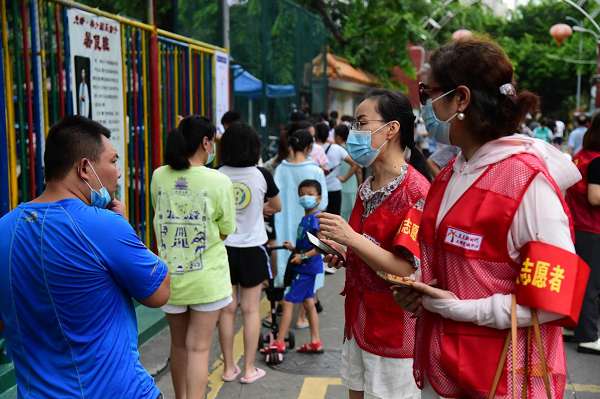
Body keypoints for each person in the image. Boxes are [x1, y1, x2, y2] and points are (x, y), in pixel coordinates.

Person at [393, 37, 584, 399]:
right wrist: (421, 289)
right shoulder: (452, 172)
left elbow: (555, 296)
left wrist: (459, 308)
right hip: (444, 364)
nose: (424, 105)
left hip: (503, 376)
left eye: (427, 92)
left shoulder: (526, 183)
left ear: (461, 98)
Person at [0, 116, 170, 397]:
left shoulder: (5, 228)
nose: (118, 173)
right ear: (84, 168)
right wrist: (126, 230)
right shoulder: (104, 226)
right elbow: (159, 293)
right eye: (113, 161)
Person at [318, 88, 432, 399]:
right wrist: (344, 251)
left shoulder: (417, 192)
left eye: (361, 123)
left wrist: (351, 239)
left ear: (392, 129)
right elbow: (366, 248)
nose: (353, 132)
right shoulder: (367, 186)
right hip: (357, 320)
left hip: (393, 328)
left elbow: (406, 268)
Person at [151, 115, 236, 399]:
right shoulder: (219, 180)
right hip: (207, 279)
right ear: (205, 142)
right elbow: (226, 230)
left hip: (170, 278)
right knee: (199, 348)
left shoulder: (159, 175)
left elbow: (159, 218)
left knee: (178, 346)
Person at [217, 123, 282, 383]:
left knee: (227, 310)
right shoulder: (261, 175)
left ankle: (228, 369)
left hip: (223, 249)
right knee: (251, 310)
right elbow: (276, 205)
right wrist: (260, 207)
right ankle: (248, 370)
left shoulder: (217, 173)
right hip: (253, 248)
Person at [270, 180, 325, 353]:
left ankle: (279, 342)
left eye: (310, 194)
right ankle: (315, 342)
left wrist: (302, 257)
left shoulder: (316, 219)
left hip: (306, 268)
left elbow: (322, 246)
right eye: (302, 194)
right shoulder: (306, 219)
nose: (305, 197)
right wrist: (293, 249)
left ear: (319, 198)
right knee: (309, 303)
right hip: (306, 266)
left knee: (287, 303)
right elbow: (309, 245)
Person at [273, 129, 328, 290]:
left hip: (284, 223)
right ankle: (305, 310)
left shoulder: (280, 169)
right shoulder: (316, 170)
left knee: (286, 259)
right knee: (309, 264)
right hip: (310, 224)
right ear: (309, 147)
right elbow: (323, 202)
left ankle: (284, 298)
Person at [566, 113, 600, 355]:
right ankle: (588, 336)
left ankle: (574, 326)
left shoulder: (581, 156)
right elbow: (595, 197)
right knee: (591, 284)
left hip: (578, 226)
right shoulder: (598, 161)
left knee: (580, 281)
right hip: (591, 228)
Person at [315, 122, 360, 216]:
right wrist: (344, 179)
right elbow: (355, 164)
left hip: (315, 190)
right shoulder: (336, 148)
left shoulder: (312, 149)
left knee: (317, 218)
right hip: (334, 188)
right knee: (332, 219)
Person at [334, 124, 363, 222]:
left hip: (338, 186)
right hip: (352, 186)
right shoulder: (353, 149)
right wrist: (360, 186)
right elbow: (358, 170)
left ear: (337, 137)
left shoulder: (335, 150)